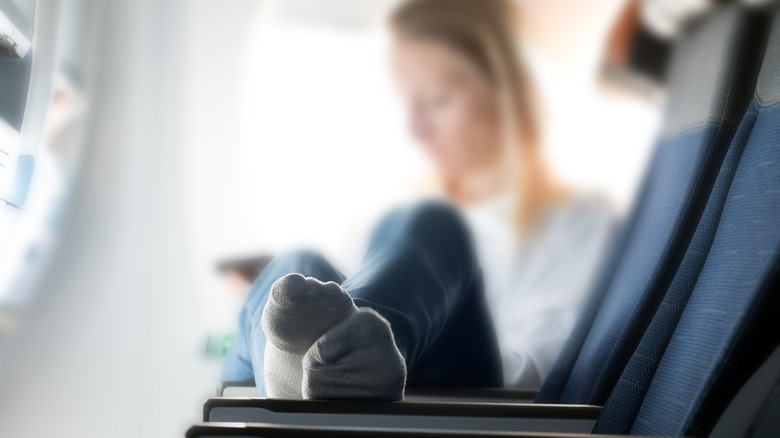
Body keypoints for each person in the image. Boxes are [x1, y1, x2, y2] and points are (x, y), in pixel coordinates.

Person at [221, 0, 616, 399]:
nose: (416, 128)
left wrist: (413, 353)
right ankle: (307, 377)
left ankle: (350, 358)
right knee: (294, 266)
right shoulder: (391, 209)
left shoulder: (575, 221)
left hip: (462, 395)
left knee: (430, 226)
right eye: (408, 103)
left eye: (437, 100)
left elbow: (541, 368)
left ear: (504, 91)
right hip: (364, 390)